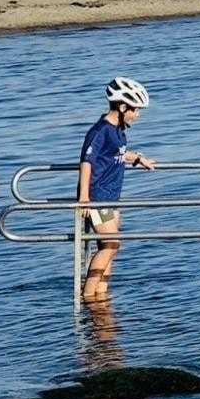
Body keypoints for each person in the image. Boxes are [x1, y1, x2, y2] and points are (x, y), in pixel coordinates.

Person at [77, 76, 157, 303]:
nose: (138, 115)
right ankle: (88, 295)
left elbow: (117, 154)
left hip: (112, 196)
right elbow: (87, 162)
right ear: (122, 107)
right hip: (98, 196)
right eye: (135, 110)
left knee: (111, 247)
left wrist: (138, 158)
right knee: (111, 244)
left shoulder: (119, 130)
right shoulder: (101, 130)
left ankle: (102, 293)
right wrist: (85, 198)